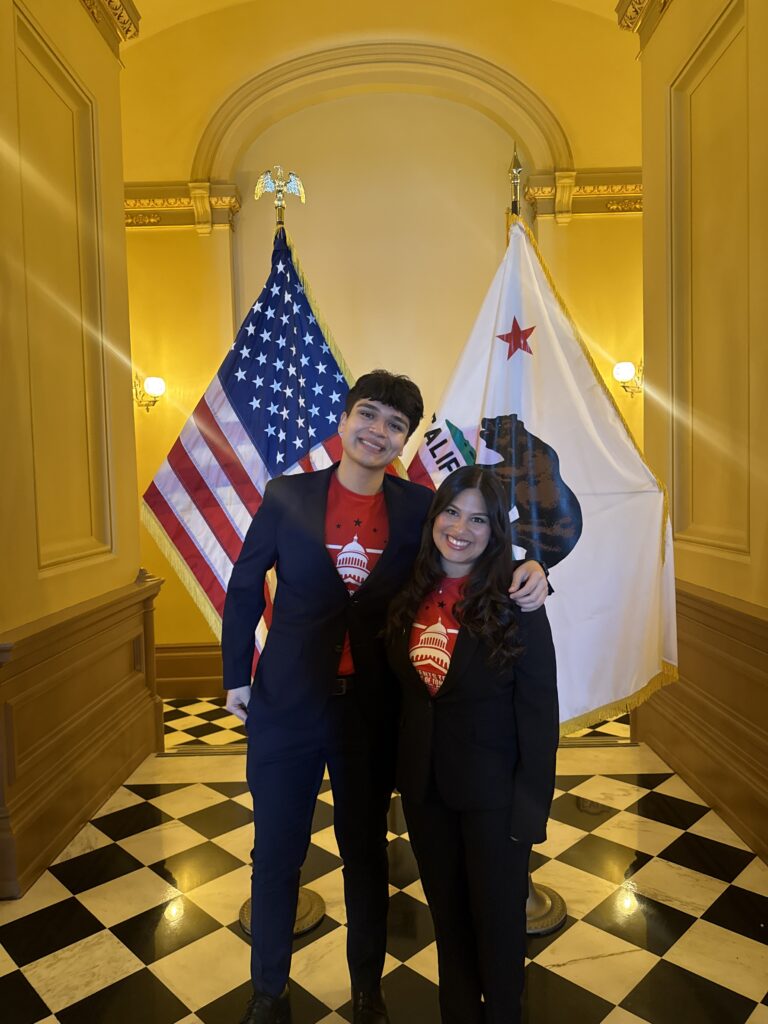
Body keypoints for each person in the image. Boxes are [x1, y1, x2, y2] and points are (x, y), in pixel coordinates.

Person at [222, 370, 549, 1024]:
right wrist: (236, 676)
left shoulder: (418, 506)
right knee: (276, 852)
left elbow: (469, 543)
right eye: (368, 415)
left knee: (365, 852)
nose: (378, 431)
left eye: (395, 424)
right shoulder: (286, 495)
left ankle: (367, 989)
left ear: (404, 439)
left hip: (370, 713)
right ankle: (267, 991)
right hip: (286, 707)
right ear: (344, 420)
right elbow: (244, 584)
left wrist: (531, 567)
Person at [387, 466, 559, 1024]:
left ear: (495, 530)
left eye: (479, 519)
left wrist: (531, 810)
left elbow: (539, 713)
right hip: (426, 792)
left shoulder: (518, 598)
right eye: (452, 512)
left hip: (496, 800)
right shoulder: (408, 591)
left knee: (499, 926)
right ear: (435, 517)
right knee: (449, 921)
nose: (461, 529)